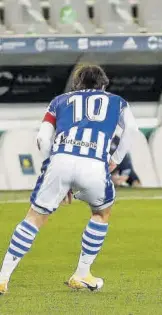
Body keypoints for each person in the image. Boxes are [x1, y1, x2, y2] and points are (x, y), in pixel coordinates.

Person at [0, 64, 138, 293]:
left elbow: (43, 140)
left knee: (34, 217)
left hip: (60, 160)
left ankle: (3, 277)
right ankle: (82, 274)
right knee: (101, 212)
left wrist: (51, 166)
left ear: (76, 85)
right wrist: (115, 159)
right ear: (103, 85)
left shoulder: (59, 101)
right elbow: (131, 130)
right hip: (95, 164)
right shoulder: (118, 101)